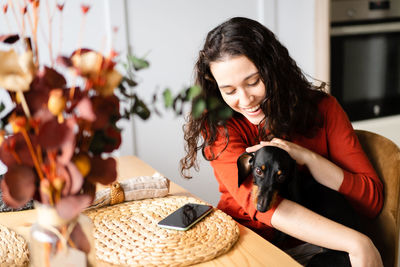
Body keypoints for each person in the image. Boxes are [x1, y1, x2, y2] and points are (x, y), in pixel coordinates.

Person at [180, 17, 383, 266]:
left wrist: (309, 159)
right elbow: (261, 205)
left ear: (274, 69)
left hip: (327, 245)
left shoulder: (324, 109)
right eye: (229, 91)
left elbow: (371, 201)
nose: (245, 100)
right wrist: (356, 243)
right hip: (249, 242)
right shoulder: (218, 123)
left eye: (253, 82)